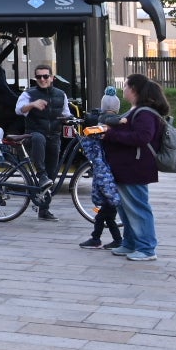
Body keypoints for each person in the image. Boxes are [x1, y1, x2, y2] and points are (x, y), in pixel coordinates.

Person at [98, 73, 168, 262]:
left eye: (126, 86)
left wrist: (111, 135)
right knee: (125, 208)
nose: (124, 90)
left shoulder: (144, 113)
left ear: (134, 90)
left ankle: (146, 248)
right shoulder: (137, 110)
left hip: (135, 168)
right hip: (126, 167)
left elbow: (142, 137)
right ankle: (130, 243)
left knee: (137, 208)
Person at [15, 64, 72, 219]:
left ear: (52, 78)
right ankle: (41, 174)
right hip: (33, 135)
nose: (42, 79)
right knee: (38, 138)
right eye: (39, 77)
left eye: (45, 76)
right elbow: (18, 109)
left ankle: (44, 209)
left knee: (52, 172)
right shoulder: (29, 94)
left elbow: (66, 113)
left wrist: (71, 119)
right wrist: (32, 104)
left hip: (54, 136)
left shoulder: (61, 94)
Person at [79, 87, 124, 250]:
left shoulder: (101, 127)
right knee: (106, 215)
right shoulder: (118, 126)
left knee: (105, 214)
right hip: (113, 174)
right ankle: (103, 239)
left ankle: (101, 239)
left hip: (106, 176)